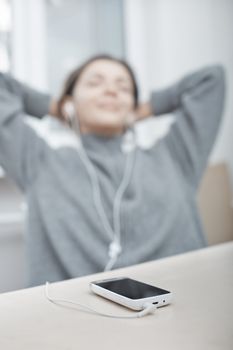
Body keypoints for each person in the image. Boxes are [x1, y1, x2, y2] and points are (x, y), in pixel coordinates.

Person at [0, 55, 225, 287]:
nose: (111, 91)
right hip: (74, 317)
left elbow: (212, 79)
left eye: (124, 87)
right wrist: (57, 108)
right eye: (95, 83)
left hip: (184, 308)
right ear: (70, 101)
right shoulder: (38, 162)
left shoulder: (176, 157)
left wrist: (145, 110)